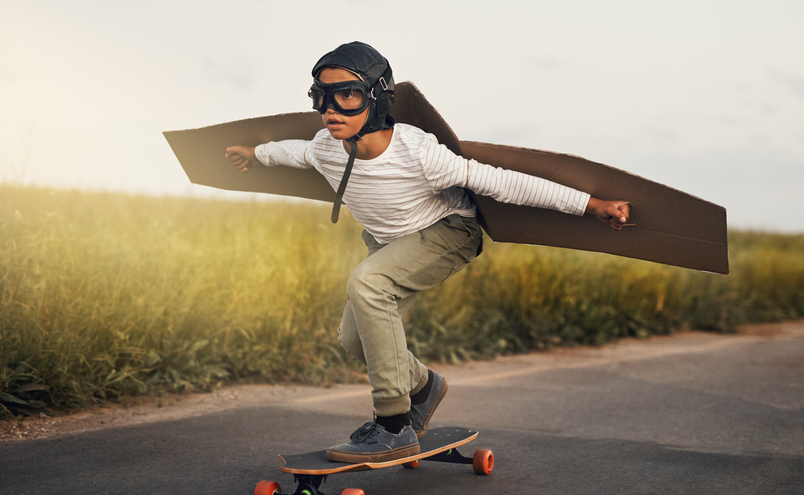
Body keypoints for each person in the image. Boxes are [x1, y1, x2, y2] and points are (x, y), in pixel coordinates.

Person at [225, 41, 631, 464]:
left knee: (368, 283)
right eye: (321, 97)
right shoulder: (326, 147)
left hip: (448, 231)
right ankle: (422, 387)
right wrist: (254, 154)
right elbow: (294, 152)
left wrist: (590, 205)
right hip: (389, 243)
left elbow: (503, 182)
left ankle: (393, 426)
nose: (332, 109)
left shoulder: (418, 152)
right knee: (353, 337)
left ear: (378, 97)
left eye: (348, 95)